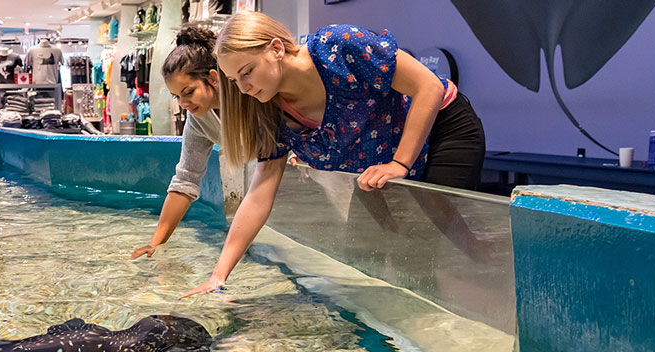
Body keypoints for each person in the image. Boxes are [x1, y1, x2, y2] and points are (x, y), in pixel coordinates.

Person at [182, 11, 485, 297]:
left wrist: (399, 163)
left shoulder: (337, 47)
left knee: (427, 239)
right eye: (235, 81)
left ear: (276, 48)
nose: (244, 88)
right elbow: (260, 192)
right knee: (366, 249)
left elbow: (428, 86)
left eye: (247, 72)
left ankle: (480, 281)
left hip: (442, 126)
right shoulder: (269, 111)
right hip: (380, 159)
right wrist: (218, 276)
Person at [130, 26, 225, 259]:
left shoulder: (251, 95)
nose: (183, 103)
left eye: (188, 92)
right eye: (177, 96)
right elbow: (185, 180)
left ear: (213, 79)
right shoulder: (198, 119)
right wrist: (155, 244)